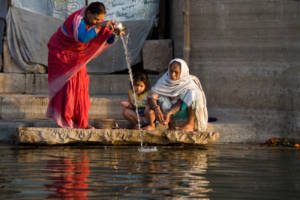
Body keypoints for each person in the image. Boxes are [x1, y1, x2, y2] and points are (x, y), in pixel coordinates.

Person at [46, 2, 124, 128]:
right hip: (61, 54)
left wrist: (114, 32)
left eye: (101, 19)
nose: (97, 22)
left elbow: (107, 39)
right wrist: (100, 26)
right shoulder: (78, 19)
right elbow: (82, 37)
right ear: (88, 13)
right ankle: (65, 120)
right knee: (68, 87)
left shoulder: (96, 23)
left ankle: (81, 122)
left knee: (81, 86)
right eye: (96, 19)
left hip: (77, 58)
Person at [144, 58, 208, 132]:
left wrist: (169, 113)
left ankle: (190, 124)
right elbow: (152, 95)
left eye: (176, 72)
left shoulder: (189, 83)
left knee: (195, 93)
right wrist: (156, 108)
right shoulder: (164, 79)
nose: (172, 74)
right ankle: (161, 125)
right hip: (166, 112)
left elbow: (181, 102)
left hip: (183, 112)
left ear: (182, 72)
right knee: (152, 101)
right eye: (171, 71)